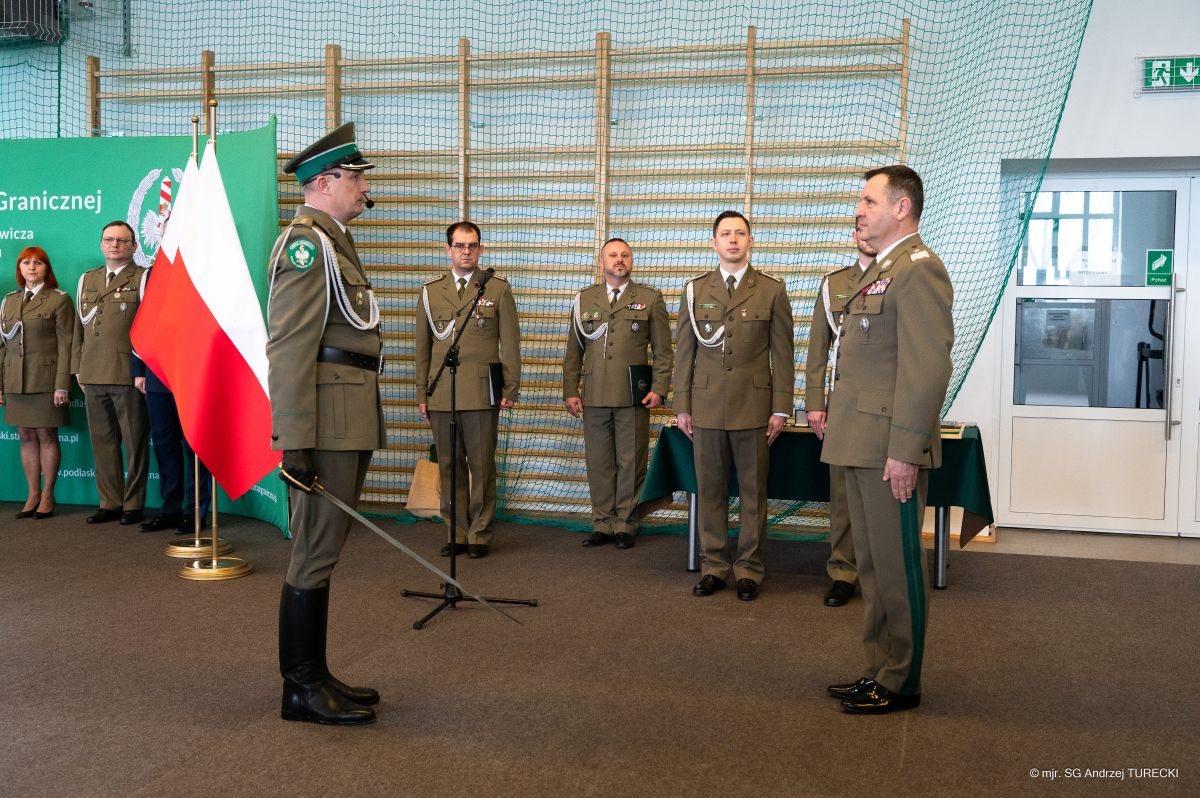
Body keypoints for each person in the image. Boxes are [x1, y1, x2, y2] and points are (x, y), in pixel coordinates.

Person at [821, 165, 953, 715]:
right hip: (860, 442)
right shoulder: (881, 270)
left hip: (887, 450)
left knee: (898, 567)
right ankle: (879, 667)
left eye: (870, 200)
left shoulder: (919, 270)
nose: (859, 210)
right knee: (873, 566)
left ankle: (902, 680)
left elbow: (927, 370)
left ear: (901, 208)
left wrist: (904, 450)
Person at [268, 122, 385, 726]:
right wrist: (293, 442)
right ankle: (301, 688)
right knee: (313, 552)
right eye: (356, 177)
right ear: (325, 181)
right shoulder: (307, 246)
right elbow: (289, 347)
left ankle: (316, 673)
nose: (364, 187)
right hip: (325, 424)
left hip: (346, 415)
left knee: (325, 550)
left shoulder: (334, 241)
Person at [674, 210, 794, 601]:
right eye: (725, 234)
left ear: (750, 240)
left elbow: (783, 354)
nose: (732, 240)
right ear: (714, 242)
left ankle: (749, 569)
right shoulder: (694, 290)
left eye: (740, 233)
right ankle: (713, 566)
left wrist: (781, 408)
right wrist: (682, 405)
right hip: (707, 406)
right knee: (709, 491)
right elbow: (684, 353)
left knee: (752, 494)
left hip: (754, 407)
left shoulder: (771, 290)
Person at [415, 221, 521, 560]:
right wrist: (422, 394)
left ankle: (480, 533)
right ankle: (456, 531)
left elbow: (511, 344)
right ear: (448, 249)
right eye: (459, 245)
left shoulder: (497, 289)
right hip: (442, 390)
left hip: (481, 391)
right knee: (449, 466)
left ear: (480, 249)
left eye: (472, 245)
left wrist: (511, 386)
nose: (466, 251)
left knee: (482, 465)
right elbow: (423, 348)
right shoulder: (431, 292)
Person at [563, 238, 673, 549]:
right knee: (598, 462)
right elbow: (574, 350)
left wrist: (659, 388)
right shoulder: (585, 299)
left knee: (631, 461)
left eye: (625, 255)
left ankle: (625, 523)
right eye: (612, 255)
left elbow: (663, 351)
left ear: (631, 261)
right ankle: (602, 523)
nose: (619, 259)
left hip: (633, 394)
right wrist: (570, 389)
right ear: (602, 262)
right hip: (594, 393)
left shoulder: (650, 299)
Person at [805, 229, 877, 608]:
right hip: (844, 406)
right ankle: (843, 573)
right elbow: (818, 348)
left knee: (884, 495)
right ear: (854, 235)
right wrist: (815, 403)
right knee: (844, 496)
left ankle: (883, 575)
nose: (867, 234)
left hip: (886, 406)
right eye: (860, 227)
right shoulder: (834, 285)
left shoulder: (901, 277)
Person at [71, 221, 150, 526]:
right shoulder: (87, 279)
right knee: (102, 442)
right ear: (101, 244)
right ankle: (110, 502)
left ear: (134, 246)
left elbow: (148, 327)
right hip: (92, 372)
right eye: (109, 239)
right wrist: (78, 368)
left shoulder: (143, 277)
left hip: (127, 373)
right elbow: (78, 329)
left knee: (134, 442)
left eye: (122, 240)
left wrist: (142, 369)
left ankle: (133, 504)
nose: (114, 244)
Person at [0, 247, 74, 519]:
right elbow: (2, 346)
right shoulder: (8, 301)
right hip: (15, 380)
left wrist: (62, 384)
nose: (32, 267)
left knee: (46, 435)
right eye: (26, 263)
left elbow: (67, 345)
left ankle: (48, 494)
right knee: (25, 436)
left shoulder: (59, 300)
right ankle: (32, 494)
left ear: (47, 269)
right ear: (19, 268)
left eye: (38, 263)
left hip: (46, 380)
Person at [130, 351, 212, 534]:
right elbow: (141, 334)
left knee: (194, 447)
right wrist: (139, 369)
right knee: (164, 447)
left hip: (192, 376)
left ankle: (196, 511)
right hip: (157, 377)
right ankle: (170, 510)